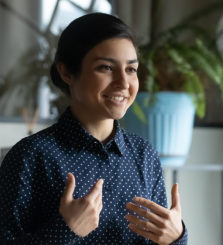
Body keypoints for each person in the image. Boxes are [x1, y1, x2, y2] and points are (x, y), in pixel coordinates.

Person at [0, 13, 188, 244]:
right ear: (66, 72)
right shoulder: (31, 156)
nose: (123, 83)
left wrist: (175, 238)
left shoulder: (144, 155)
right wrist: (65, 230)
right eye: (106, 68)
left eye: (131, 69)